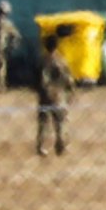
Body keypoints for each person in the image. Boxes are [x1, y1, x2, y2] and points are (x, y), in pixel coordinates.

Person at [36, 25, 76, 157]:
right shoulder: (60, 60)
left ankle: (42, 147)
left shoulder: (42, 60)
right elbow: (68, 78)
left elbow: (38, 79)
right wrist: (71, 92)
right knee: (61, 122)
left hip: (44, 95)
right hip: (58, 94)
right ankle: (61, 146)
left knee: (44, 123)